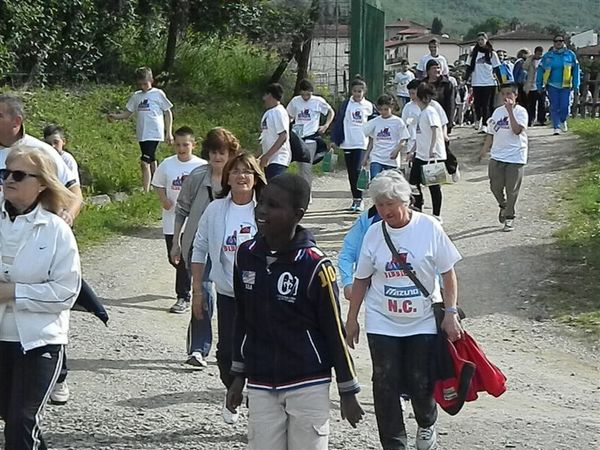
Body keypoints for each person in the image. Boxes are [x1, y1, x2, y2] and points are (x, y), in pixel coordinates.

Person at [227, 173, 364, 449]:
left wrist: (348, 390)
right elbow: (242, 318)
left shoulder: (315, 267)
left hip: (307, 381)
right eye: (262, 202)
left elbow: (333, 331)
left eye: (274, 206)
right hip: (261, 379)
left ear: (297, 215)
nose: (262, 211)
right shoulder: (245, 256)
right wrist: (237, 374)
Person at [345, 169, 462, 450]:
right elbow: (361, 279)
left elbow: (448, 272)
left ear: (405, 201)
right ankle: (394, 443)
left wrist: (451, 312)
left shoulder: (429, 228)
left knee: (419, 380)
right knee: (384, 383)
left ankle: (426, 422)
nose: (385, 210)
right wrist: (351, 319)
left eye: (390, 204)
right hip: (382, 320)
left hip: (421, 319)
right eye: (380, 205)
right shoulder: (374, 235)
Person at [0, 146, 81, 450]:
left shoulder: (57, 231)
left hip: (38, 342)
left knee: (21, 421)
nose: (9, 179)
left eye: (18, 175)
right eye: (4, 173)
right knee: (14, 420)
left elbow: (66, 292)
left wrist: (14, 292)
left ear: (42, 183)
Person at [191, 153, 266, 424]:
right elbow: (199, 248)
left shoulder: (266, 209)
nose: (241, 176)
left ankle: (260, 404)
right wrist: (198, 291)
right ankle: (233, 392)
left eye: (248, 171)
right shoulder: (215, 210)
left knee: (260, 350)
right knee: (226, 353)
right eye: (236, 171)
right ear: (228, 178)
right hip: (228, 293)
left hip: (262, 296)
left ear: (256, 177)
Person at [170, 127, 241, 368]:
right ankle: (198, 348)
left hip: (231, 247)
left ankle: (233, 349)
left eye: (222, 152)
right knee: (204, 293)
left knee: (233, 297)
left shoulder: (239, 177)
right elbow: (181, 209)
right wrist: (176, 243)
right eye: (213, 153)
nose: (218, 158)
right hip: (199, 246)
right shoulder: (197, 176)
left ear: (231, 153)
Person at [0, 94, 82, 225]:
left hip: (36, 234)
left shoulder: (41, 151)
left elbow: (73, 189)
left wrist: (68, 216)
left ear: (16, 121)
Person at [152, 126, 206, 313]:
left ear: (193, 145)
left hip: (193, 221)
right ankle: (188, 279)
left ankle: (183, 297)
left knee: (183, 259)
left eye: (185, 145)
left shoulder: (201, 166)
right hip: (171, 220)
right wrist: (164, 199)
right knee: (173, 258)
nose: (181, 148)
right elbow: (157, 183)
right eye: (178, 145)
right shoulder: (167, 164)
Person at [108, 66, 174, 192]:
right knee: (151, 159)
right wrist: (115, 116)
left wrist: (169, 132)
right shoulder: (136, 96)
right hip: (142, 133)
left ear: (152, 80)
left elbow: (168, 112)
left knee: (144, 162)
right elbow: (127, 113)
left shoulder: (158, 94)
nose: (143, 86)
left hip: (154, 132)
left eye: (145, 83)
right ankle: (157, 185)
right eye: (140, 84)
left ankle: (146, 190)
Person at [479, 83, 529, 232]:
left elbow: (517, 130)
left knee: (511, 189)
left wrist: (510, 111)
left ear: (515, 95)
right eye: (503, 94)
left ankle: (509, 217)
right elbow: (491, 133)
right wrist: (483, 150)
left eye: (509, 94)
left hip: (516, 156)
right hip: (497, 155)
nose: (506, 97)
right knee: (495, 186)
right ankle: (503, 205)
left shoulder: (521, 112)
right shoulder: (497, 112)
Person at [331, 77, 377, 212]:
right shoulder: (346, 104)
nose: (357, 94)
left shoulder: (368, 106)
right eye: (355, 91)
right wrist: (335, 139)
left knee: (357, 170)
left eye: (360, 91)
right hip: (347, 142)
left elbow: (374, 123)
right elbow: (339, 121)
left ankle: (360, 198)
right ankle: (355, 199)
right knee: (351, 172)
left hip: (361, 142)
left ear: (364, 92)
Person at [286, 79, 334, 194]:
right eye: (303, 94)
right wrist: (289, 124)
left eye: (308, 94)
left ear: (312, 92)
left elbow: (331, 111)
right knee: (300, 166)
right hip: (298, 138)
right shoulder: (295, 101)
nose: (305, 97)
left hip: (311, 138)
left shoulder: (317, 101)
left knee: (306, 166)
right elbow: (289, 115)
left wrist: (326, 125)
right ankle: (301, 190)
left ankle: (306, 192)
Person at [409, 83, 448, 222]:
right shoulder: (422, 112)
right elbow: (420, 134)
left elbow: (435, 129)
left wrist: (432, 149)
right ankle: (418, 207)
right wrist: (412, 149)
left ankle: (437, 215)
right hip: (420, 154)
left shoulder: (430, 111)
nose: (414, 99)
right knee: (412, 182)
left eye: (417, 96)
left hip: (432, 155)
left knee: (433, 185)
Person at [536, 35, 580, 135]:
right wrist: (539, 85)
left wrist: (576, 85)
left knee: (565, 106)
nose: (558, 43)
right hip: (552, 85)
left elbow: (576, 71)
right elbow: (540, 71)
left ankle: (563, 120)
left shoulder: (570, 55)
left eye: (560, 41)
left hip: (566, 86)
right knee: (554, 106)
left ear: (564, 42)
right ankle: (556, 126)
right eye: (556, 41)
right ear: (553, 43)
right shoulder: (548, 56)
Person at [362, 94, 410, 179]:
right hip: (377, 157)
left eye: (386, 109)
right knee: (375, 179)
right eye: (380, 109)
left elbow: (403, 140)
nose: (383, 112)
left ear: (392, 107)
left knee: (391, 182)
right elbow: (371, 141)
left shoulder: (398, 122)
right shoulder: (375, 122)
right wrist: (365, 157)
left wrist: (396, 150)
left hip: (391, 158)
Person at [465, 32, 502, 132]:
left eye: (482, 39)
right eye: (479, 40)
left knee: (486, 104)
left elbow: (497, 68)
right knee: (477, 104)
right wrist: (465, 79)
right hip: (477, 82)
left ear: (486, 40)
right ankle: (477, 119)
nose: (480, 42)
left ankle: (486, 124)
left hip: (489, 82)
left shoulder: (491, 53)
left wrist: (501, 82)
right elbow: (468, 67)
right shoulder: (473, 53)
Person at [260, 83, 291, 180]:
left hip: (278, 159)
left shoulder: (279, 112)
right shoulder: (268, 113)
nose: (263, 98)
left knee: (275, 190)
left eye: (265, 95)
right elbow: (264, 139)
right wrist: (254, 157)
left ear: (270, 95)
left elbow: (283, 136)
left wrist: (267, 156)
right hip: (269, 161)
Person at [522, 46, 547, 126]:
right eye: (538, 54)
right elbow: (524, 67)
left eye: (540, 54)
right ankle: (530, 120)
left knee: (542, 104)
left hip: (541, 85)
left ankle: (541, 119)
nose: (539, 55)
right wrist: (530, 58)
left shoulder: (544, 60)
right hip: (531, 86)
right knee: (531, 104)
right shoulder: (530, 60)